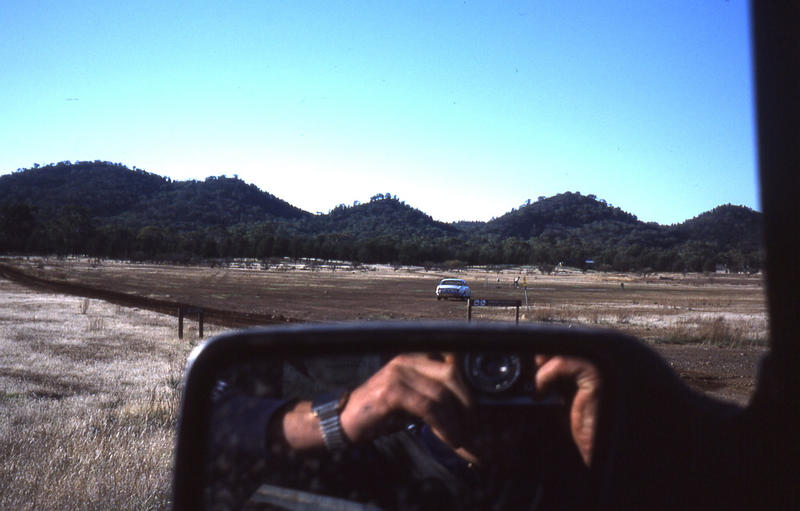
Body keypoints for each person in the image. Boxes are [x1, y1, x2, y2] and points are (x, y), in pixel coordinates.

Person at [202, 352, 602, 510]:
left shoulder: (576, 467)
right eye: (478, 363)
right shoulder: (365, 459)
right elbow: (208, 425)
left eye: (521, 368)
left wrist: (596, 446)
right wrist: (335, 420)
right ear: (433, 361)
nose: (501, 378)